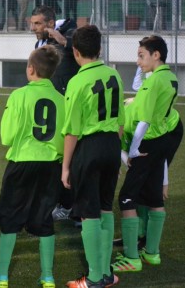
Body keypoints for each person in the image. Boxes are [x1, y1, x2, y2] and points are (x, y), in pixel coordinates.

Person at [0, 45, 64, 288]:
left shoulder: (18, 95)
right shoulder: (61, 99)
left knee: (10, 218)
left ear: (31, 69)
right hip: (50, 164)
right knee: (44, 219)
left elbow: (7, 136)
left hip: (22, 162)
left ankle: (2, 276)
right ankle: (48, 276)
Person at [61, 25, 124, 288]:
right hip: (111, 145)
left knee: (88, 214)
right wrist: (116, 154)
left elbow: (72, 131)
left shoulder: (77, 81)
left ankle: (95, 279)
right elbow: (121, 120)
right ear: (99, 49)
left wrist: (65, 167)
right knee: (106, 209)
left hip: (89, 148)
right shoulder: (115, 75)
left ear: (75, 51)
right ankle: (106, 273)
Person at [111, 35, 179, 274]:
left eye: (141, 56)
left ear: (156, 55)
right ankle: (152, 253)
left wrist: (132, 150)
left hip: (146, 145)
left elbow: (144, 122)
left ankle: (132, 258)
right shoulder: (171, 78)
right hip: (162, 140)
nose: (138, 61)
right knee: (153, 199)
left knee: (127, 197)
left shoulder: (153, 82)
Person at [30, 5, 80, 226]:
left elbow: (84, 52)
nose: (33, 28)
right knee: (58, 158)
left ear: (50, 23)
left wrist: (63, 41)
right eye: (32, 23)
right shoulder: (40, 43)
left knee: (73, 159)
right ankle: (64, 204)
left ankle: (73, 208)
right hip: (54, 109)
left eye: (37, 23)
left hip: (71, 108)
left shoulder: (70, 33)